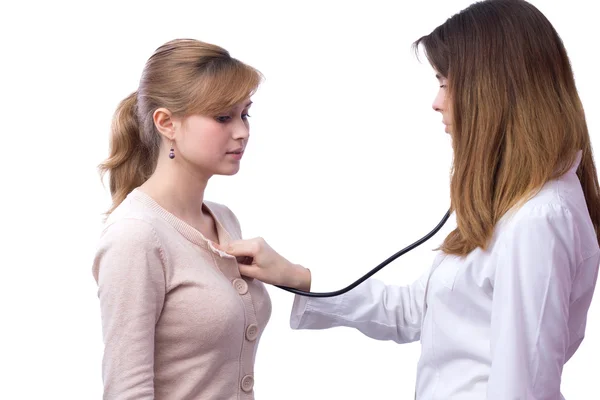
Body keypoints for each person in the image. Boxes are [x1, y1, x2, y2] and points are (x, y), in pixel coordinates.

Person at [219, 1, 600, 398]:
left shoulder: (539, 219)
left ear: (494, 90)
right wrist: (298, 278)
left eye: (445, 83)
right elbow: (417, 312)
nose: (436, 101)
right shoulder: (512, 203)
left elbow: (523, 389)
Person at [92, 38, 271, 399]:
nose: (242, 131)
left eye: (244, 113)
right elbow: (128, 391)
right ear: (166, 123)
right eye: (223, 117)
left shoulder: (224, 220)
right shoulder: (136, 236)